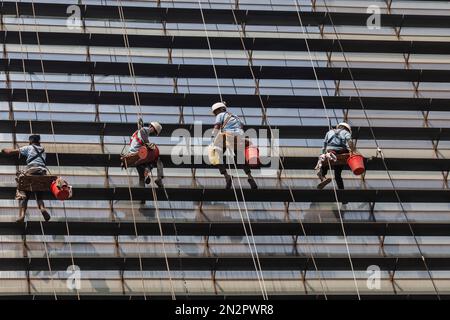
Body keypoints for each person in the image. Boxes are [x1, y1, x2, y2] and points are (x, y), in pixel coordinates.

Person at [1, 134, 51, 222]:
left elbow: (11, 151)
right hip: (42, 173)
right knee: (39, 196)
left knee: (24, 193)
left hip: (31, 171)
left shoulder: (29, 148)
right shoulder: (43, 150)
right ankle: (42, 208)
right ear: (39, 141)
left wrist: (3, 150)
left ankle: (22, 216)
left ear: (30, 141)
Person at [211, 102, 257, 189]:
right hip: (240, 138)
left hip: (227, 136)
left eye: (215, 112)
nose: (216, 114)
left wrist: (213, 135)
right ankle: (250, 176)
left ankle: (226, 176)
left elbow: (217, 126)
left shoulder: (220, 115)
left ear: (218, 110)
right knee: (240, 157)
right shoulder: (236, 116)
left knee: (216, 155)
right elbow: (241, 126)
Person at [317, 122, 355, 191]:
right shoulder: (346, 132)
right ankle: (341, 190)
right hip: (340, 151)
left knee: (325, 162)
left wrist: (323, 154)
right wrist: (352, 151)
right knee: (337, 174)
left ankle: (323, 176)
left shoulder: (329, 132)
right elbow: (349, 141)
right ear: (347, 129)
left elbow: (324, 144)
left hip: (329, 151)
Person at [128, 120, 164, 188]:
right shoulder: (145, 130)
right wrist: (151, 146)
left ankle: (142, 194)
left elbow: (139, 139)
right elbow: (144, 140)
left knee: (141, 178)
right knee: (157, 159)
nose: (153, 133)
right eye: (154, 131)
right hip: (138, 154)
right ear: (152, 127)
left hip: (134, 158)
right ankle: (159, 178)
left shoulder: (137, 132)